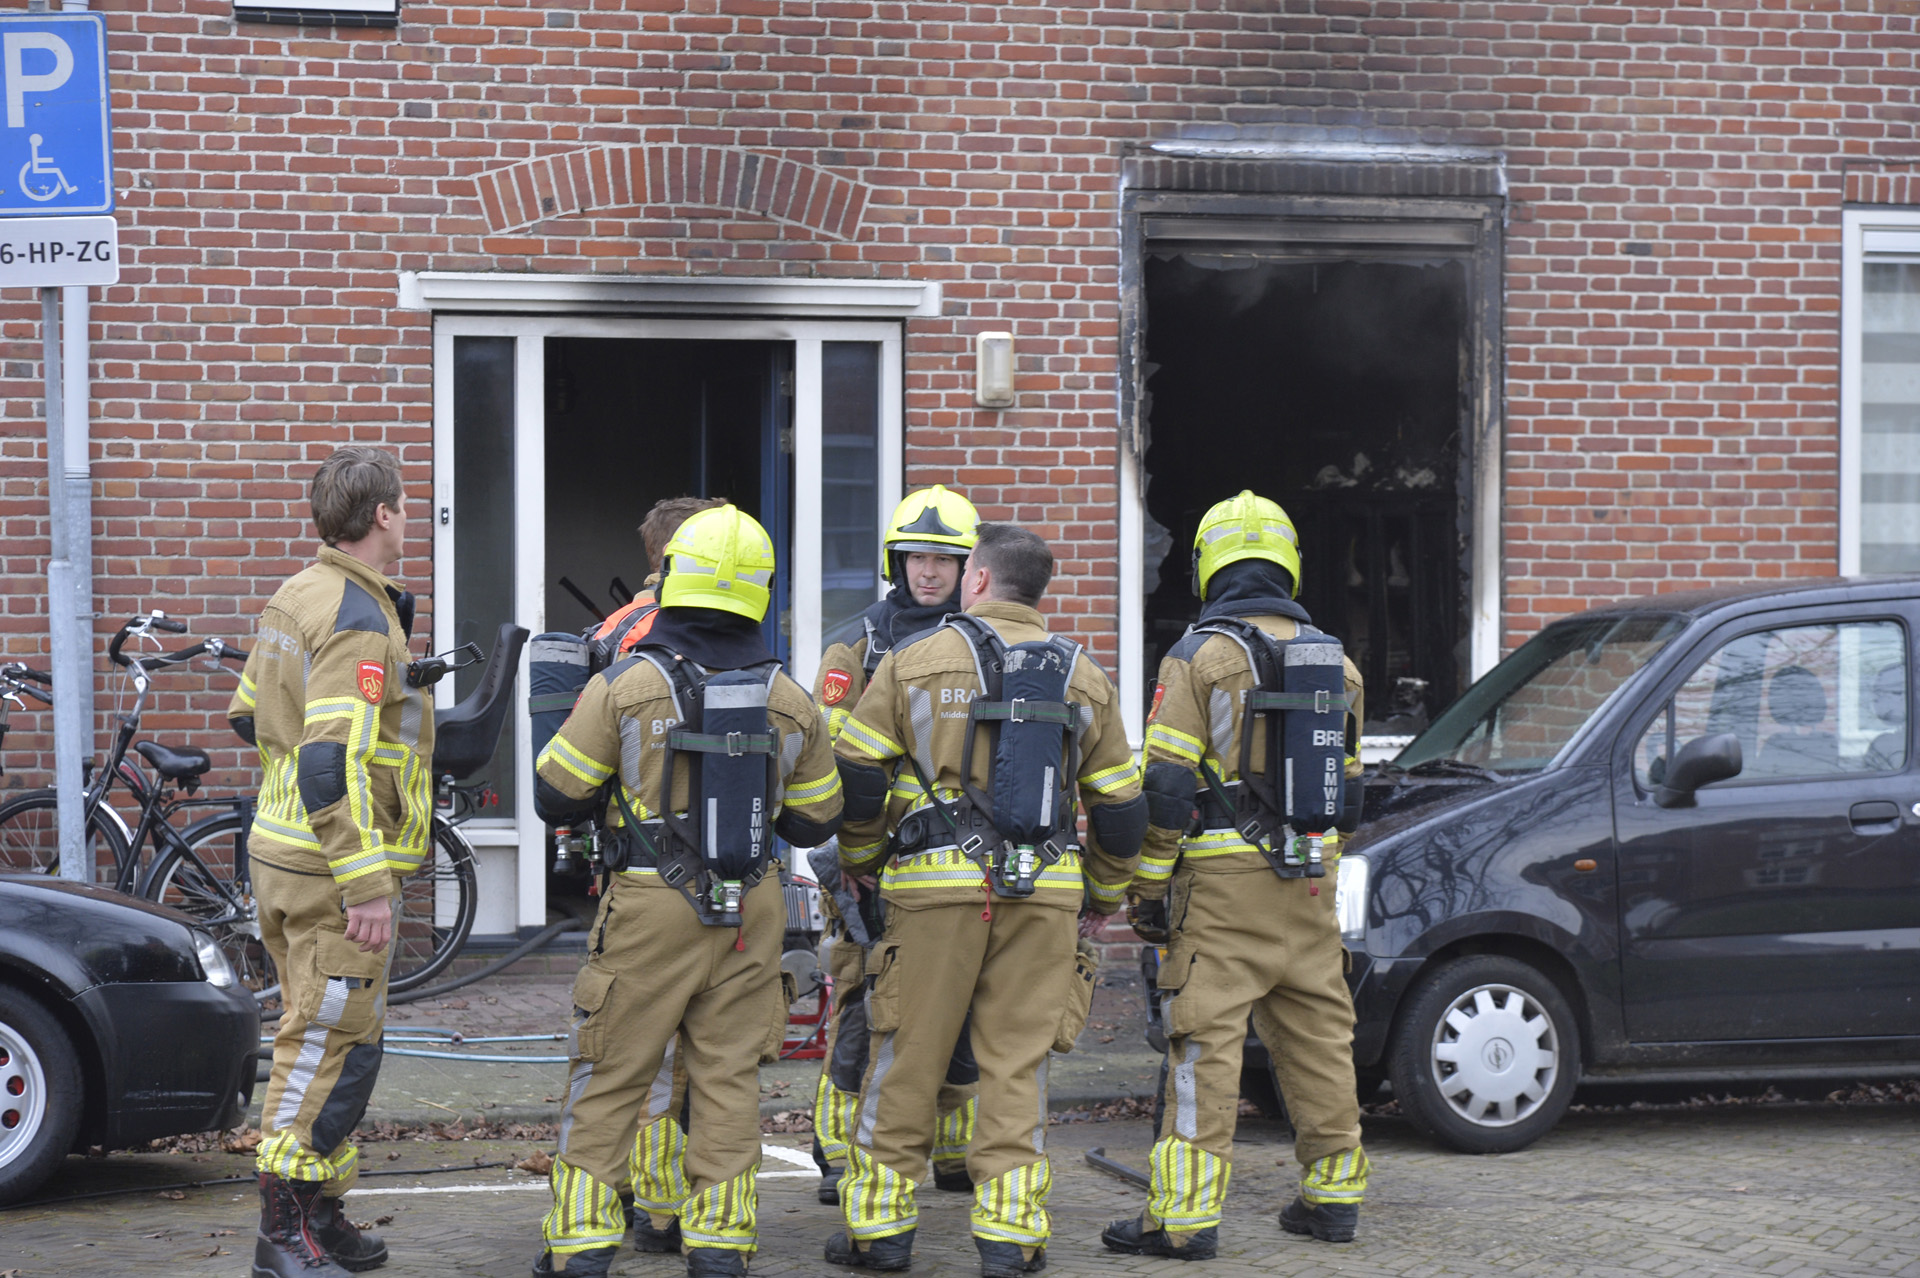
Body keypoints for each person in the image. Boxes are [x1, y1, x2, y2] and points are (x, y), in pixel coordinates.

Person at [822, 523, 1147, 1277]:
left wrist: (864, 861)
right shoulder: (1084, 675)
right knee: (1016, 1067)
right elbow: (1125, 809)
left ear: (975, 579)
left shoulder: (912, 659)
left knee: (906, 1059)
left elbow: (860, 777)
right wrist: (1100, 893)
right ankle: (1010, 1235)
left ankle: (880, 1231)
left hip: (934, 894)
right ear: (1039, 590)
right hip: (1048, 897)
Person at [528, 504, 844, 1278]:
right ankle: (722, 1247)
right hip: (753, 911)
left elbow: (556, 793)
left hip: (647, 905)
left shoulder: (630, 683)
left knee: (609, 1073)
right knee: (727, 1077)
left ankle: (581, 1246)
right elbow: (816, 819)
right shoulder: (791, 698)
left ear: (673, 580)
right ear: (760, 593)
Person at [1101, 490, 1370, 1261]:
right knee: (1320, 1039)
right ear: (1287, 563)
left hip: (1221, 887)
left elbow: (1167, 786)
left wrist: (1147, 888)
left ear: (1207, 566)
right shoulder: (1340, 664)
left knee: (1203, 1047)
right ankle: (1333, 1198)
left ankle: (1182, 1221)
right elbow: (1345, 798)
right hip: (1309, 881)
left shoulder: (1199, 657)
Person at [228, 445, 430, 1277]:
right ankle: (284, 1234)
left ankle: (322, 1215)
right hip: (327, 871)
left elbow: (250, 716)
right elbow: (328, 760)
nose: (408, 515)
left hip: (280, 855)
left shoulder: (295, 595)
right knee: (321, 1049)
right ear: (381, 515)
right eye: (404, 505)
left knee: (342, 1040)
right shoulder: (356, 614)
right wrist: (365, 879)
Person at [811, 485, 983, 1206]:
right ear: (897, 560)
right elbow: (822, 758)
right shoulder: (859, 644)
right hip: (868, 868)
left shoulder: (992, 644)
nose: (929, 573)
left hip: (959, 863)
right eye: (917, 557)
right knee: (861, 1006)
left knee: (966, 1007)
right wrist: (847, 861)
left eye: (945, 560)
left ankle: (956, 1153)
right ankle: (841, 1155)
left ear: (970, 568)